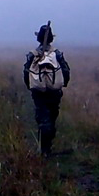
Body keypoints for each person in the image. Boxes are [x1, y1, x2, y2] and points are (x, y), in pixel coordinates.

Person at [23, 22, 71, 156]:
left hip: (38, 92)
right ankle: (47, 146)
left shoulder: (32, 54)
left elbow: (26, 72)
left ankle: (44, 149)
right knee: (52, 115)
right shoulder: (57, 54)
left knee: (42, 117)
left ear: (38, 38)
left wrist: (30, 86)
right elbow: (66, 70)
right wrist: (63, 84)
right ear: (51, 39)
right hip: (55, 91)